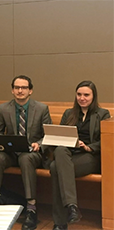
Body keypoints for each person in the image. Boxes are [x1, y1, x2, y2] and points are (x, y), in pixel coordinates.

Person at [0, 75, 52, 230]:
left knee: (26, 159)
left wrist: (39, 144)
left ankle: (31, 209)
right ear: (12, 90)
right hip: (11, 152)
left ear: (30, 91)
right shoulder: (4, 108)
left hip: (32, 152)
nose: (20, 91)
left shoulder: (42, 108)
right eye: (17, 88)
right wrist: (1, 144)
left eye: (23, 88)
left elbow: (48, 135)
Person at [50, 80, 110, 230]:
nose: (82, 98)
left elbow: (105, 140)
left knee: (55, 168)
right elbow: (60, 138)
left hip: (89, 156)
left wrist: (88, 147)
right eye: (79, 94)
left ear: (93, 96)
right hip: (68, 154)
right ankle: (72, 207)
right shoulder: (69, 113)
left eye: (86, 95)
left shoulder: (102, 114)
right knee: (60, 150)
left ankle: (60, 222)